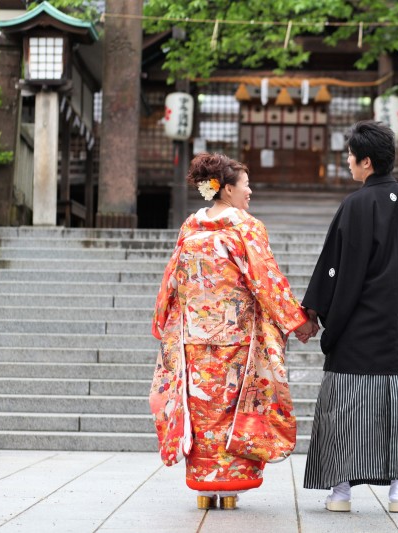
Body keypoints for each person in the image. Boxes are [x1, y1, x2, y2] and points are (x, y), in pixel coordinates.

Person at [149, 153, 318, 511]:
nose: (250, 191)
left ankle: (204, 487)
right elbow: (266, 280)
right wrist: (297, 320)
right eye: (245, 185)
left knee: (201, 407)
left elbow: (172, 280)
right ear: (227, 189)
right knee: (232, 407)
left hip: (194, 339)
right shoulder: (245, 227)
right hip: (236, 338)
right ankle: (229, 487)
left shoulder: (190, 227)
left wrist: (163, 318)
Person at [301, 121, 398, 513]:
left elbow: (333, 267)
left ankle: (341, 492)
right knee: (395, 410)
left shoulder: (355, 205)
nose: (348, 162)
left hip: (353, 327)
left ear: (366, 162)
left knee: (345, 407)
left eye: (351, 156)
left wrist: (315, 311)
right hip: (396, 326)